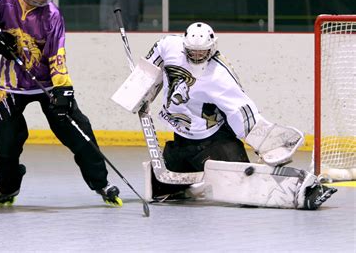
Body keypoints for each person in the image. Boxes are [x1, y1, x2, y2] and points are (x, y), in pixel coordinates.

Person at [124, 22, 337, 209]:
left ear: (212, 47)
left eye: (202, 52)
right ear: (183, 45)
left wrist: (265, 141)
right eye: (192, 51)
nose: (197, 56)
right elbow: (151, 64)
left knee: (245, 181)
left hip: (214, 142)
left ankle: (303, 190)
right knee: (159, 188)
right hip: (182, 143)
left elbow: (242, 111)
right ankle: (187, 181)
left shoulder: (219, 75)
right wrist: (139, 87)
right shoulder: (169, 45)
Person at [0, 0, 122, 207]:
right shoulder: (4, 0)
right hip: (11, 87)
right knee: (6, 142)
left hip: (47, 84)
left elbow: (57, 54)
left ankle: (101, 183)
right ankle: (8, 188)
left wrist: (63, 88)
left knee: (79, 131)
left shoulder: (52, 14)